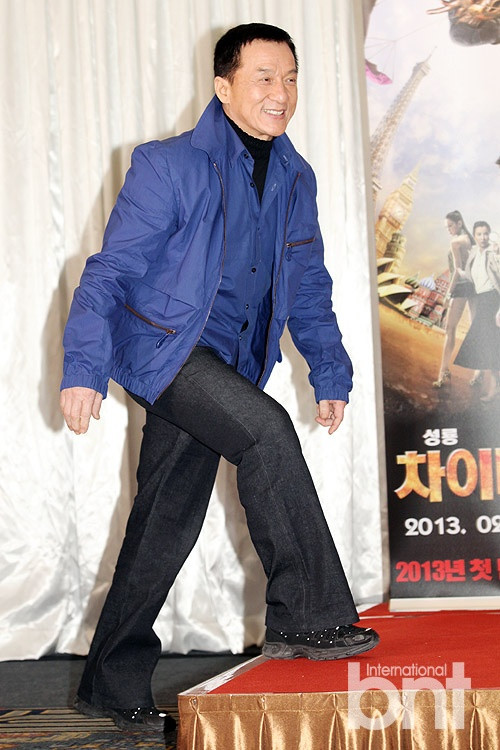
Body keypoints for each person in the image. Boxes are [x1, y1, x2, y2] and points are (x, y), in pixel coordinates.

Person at [60, 23, 379, 734]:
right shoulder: (168, 164)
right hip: (166, 353)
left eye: (290, 78)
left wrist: (329, 368)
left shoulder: (296, 177)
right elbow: (111, 271)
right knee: (267, 430)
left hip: (230, 362)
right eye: (264, 77)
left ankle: (109, 684)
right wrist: (83, 366)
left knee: (163, 518)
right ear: (224, 87)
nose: (281, 92)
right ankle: (307, 616)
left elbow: (308, 284)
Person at [454, 220, 500, 401]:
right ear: (475, 236)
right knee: (487, 342)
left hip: (493, 300)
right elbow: (472, 276)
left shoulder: (493, 253)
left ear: (490, 235)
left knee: (490, 343)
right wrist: (460, 272)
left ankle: (494, 389)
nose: (483, 237)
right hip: (482, 300)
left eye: (486, 234)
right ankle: (490, 382)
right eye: (479, 234)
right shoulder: (474, 253)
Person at [433, 210, 475, 388]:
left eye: (450, 226)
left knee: (450, 329)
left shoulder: (456, 242)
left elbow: (457, 270)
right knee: (476, 328)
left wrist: (448, 293)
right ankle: (478, 374)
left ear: (459, 223)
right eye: (447, 227)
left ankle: (443, 373)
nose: (448, 230)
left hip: (461, 286)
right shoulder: (470, 240)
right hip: (475, 286)